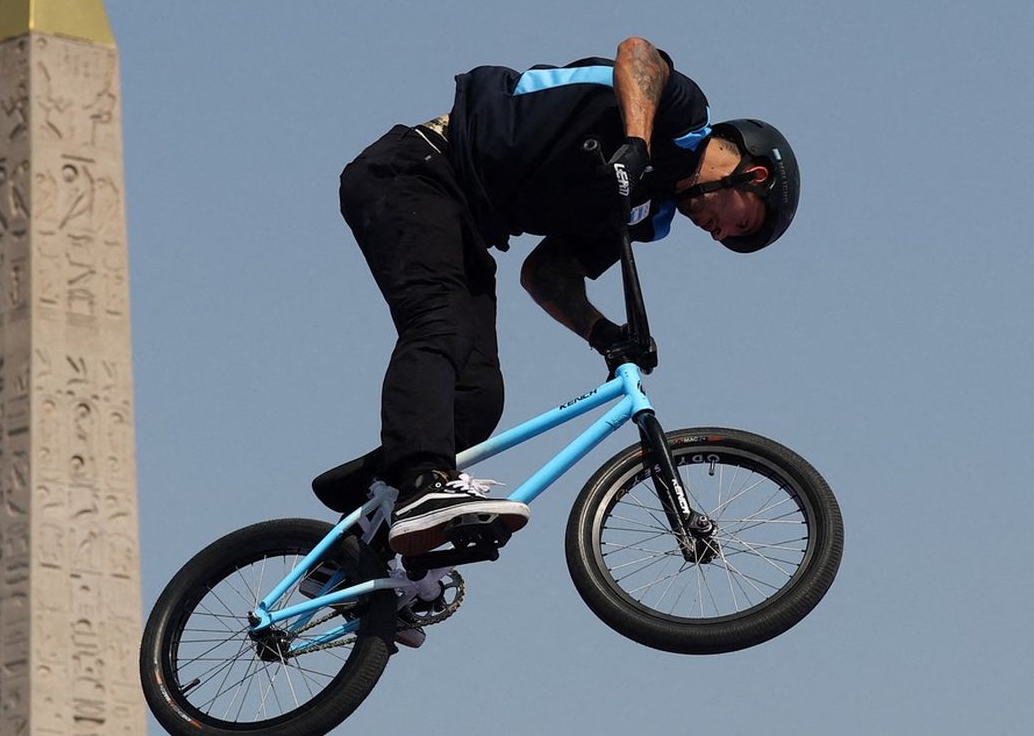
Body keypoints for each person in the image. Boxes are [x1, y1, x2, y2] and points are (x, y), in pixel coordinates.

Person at [323, 37, 800, 557]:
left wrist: (603, 333)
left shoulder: (646, 213)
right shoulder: (682, 118)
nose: (720, 235)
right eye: (739, 224)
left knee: (478, 400)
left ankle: (353, 545)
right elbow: (638, 54)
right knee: (441, 324)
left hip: (466, 223)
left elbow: (547, 273)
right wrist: (637, 144)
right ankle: (421, 483)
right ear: (751, 175)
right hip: (416, 170)